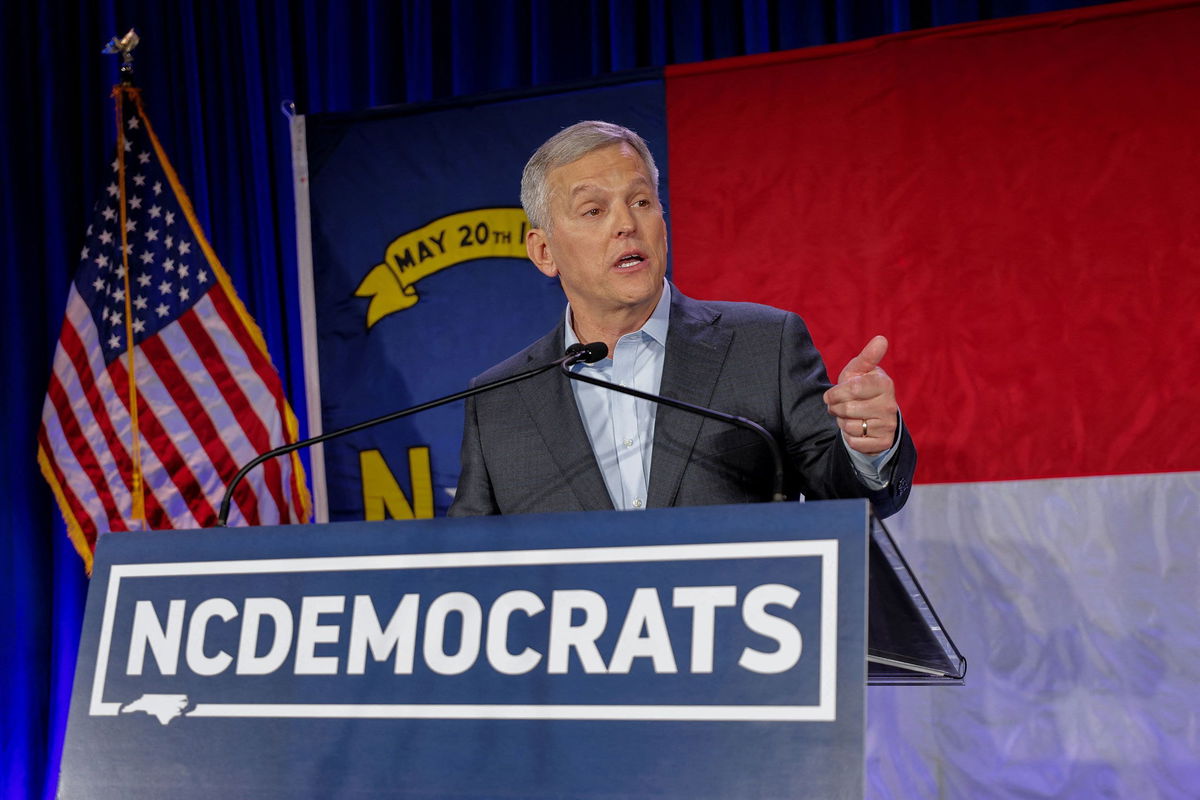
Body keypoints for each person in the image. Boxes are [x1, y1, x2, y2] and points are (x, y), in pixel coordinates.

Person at [448, 121, 914, 518]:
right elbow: (468, 563)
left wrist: (867, 444)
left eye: (642, 202)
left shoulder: (763, 346)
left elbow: (848, 500)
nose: (626, 224)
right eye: (594, 210)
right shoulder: (498, 400)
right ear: (544, 251)